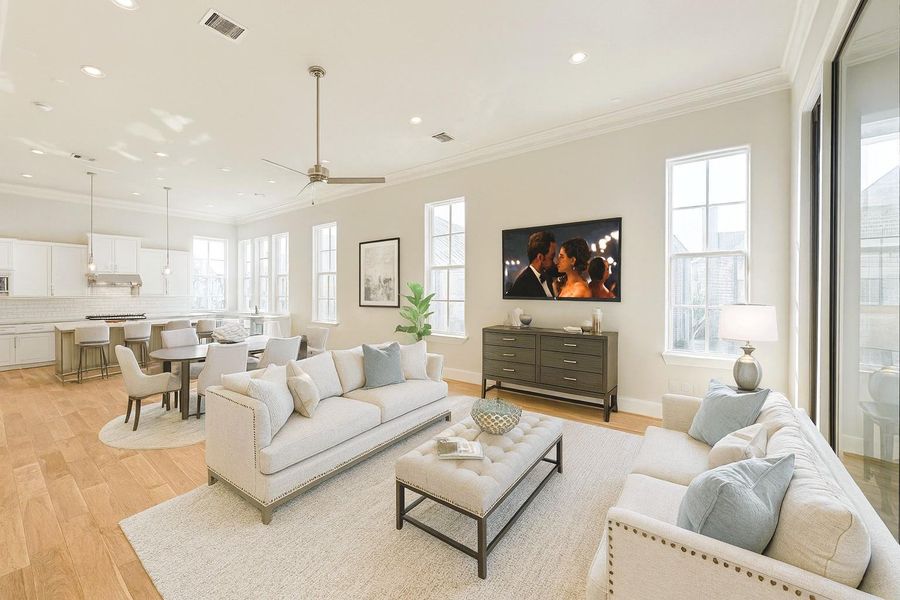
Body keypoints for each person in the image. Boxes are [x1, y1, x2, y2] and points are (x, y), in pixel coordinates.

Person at [506, 231, 557, 298]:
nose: (554, 262)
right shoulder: (522, 284)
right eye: (552, 257)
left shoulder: (547, 276)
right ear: (540, 257)